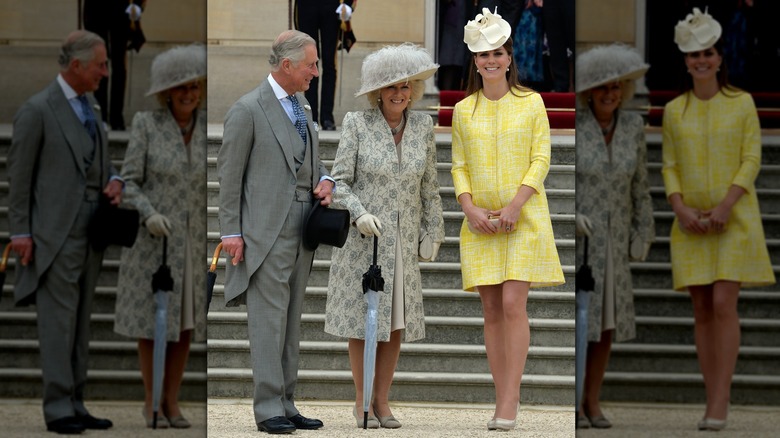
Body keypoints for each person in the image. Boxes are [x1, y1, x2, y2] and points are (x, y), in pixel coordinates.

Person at [663, 7, 775, 431]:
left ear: (720, 57)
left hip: (735, 219)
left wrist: (727, 205)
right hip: (690, 221)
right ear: (686, 61)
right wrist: (680, 208)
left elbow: (751, 158)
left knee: (725, 303)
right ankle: (711, 394)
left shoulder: (742, 103)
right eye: (694, 55)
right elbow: (669, 165)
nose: (701, 61)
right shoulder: (676, 110)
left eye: (708, 53)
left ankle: (721, 399)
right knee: (702, 308)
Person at [217, 29, 334, 435]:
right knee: (267, 321)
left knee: (291, 320)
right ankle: (268, 407)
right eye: (311, 65)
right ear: (287, 66)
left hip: (304, 228)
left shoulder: (301, 105)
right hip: (263, 232)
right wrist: (230, 231)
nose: (316, 72)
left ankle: (286, 401)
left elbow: (311, 164)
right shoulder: (247, 109)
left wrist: (327, 179)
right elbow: (229, 178)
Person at [453, 8, 565, 431]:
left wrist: (517, 205)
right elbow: (458, 165)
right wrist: (469, 208)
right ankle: (500, 395)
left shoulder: (532, 102)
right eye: (483, 55)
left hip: (524, 218)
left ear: (510, 56)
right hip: (480, 222)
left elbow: (541, 158)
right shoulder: (465, 110)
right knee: (491, 309)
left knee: (514, 303)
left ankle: (511, 399)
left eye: (498, 52)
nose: (491, 61)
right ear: (475, 62)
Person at [324, 43, 445, 429]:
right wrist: (358, 214)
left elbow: (431, 186)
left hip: (404, 242)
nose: (399, 93)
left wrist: (434, 230)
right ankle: (361, 400)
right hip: (365, 243)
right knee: (364, 324)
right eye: (392, 87)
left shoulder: (424, 127)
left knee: (394, 324)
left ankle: (382, 400)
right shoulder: (357, 124)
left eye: (406, 86)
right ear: (378, 91)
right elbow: (337, 182)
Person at [8, 30, 123, 435]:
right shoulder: (37, 110)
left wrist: (114, 178)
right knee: (57, 324)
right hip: (52, 236)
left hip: (92, 232)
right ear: (76, 66)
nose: (105, 73)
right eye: (100, 65)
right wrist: (19, 232)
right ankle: (57, 407)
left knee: (80, 324)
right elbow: (18, 180)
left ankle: (76, 400)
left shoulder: (90, 105)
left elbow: (101, 163)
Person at [113, 44, 207, 429]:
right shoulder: (146, 124)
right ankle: (151, 401)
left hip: (193, 242)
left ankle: (172, 401)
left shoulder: (206, 129)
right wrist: (148, 213)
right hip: (152, 242)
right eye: (181, 87)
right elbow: (127, 181)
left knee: (183, 326)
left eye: (195, 86)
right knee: (153, 325)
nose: (189, 93)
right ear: (167, 91)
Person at [574, 43, 655, 429]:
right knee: (580, 324)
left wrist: (644, 230)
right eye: (603, 87)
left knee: (605, 327)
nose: (610, 93)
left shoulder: (634, 128)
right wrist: (571, 215)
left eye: (616, 87)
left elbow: (641, 186)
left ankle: (593, 401)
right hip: (582, 245)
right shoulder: (577, 127)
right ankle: (573, 402)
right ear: (589, 90)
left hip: (616, 240)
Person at [83, 0, 146, 130]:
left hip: (121, 8)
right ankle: (101, 117)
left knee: (119, 66)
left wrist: (137, 5)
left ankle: (117, 118)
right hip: (96, 8)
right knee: (99, 63)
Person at [294, 0, 355, 130]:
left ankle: (327, 117)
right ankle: (310, 115)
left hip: (331, 5)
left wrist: (348, 4)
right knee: (308, 62)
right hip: (306, 6)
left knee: (329, 63)